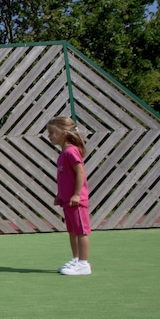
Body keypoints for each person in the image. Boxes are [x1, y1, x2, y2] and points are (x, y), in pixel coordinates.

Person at [46, 116, 92, 276]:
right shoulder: (63, 153)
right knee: (72, 232)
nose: (49, 136)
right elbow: (65, 177)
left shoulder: (71, 151)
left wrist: (77, 195)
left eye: (52, 132)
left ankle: (84, 264)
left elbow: (80, 172)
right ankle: (76, 259)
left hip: (76, 202)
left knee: (81, 232)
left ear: (64, 133)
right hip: (67, 201)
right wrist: (60, 194)